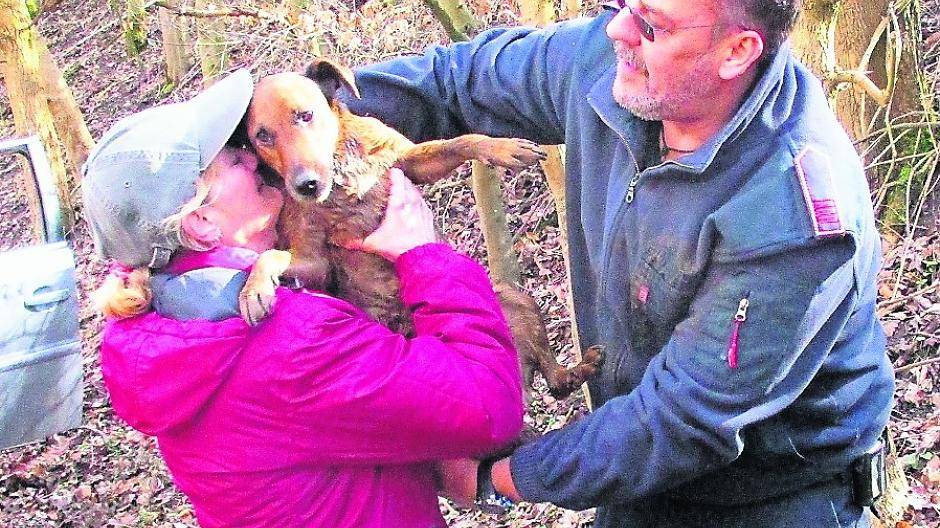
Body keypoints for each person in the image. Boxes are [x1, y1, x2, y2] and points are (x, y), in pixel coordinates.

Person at [342, 0, 895, 525]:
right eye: (624, 4)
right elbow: (454, 81)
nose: (617, 31)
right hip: (637, 479)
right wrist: (300, 122)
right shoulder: (609, 68)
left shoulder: (790, 215)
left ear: (737, 51)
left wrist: (499, 477)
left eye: (652, 26)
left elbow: (679, 423)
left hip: (776, 498)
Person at [82, 69, 524, 528]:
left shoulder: (173, 330)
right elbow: (489, 406)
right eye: (231, 159)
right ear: (201, 223)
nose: (255, 160)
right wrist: (423, 255)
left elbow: (340, 441)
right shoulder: (288, 338)